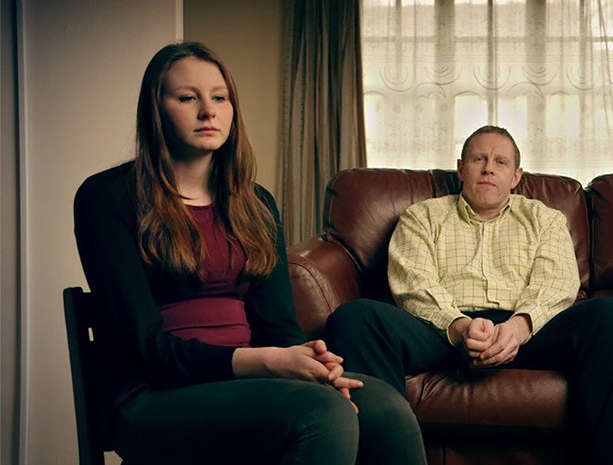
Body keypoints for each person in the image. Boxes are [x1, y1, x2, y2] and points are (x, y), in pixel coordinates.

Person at [73, 42, 425, 465]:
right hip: (150, 396)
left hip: (252, 382)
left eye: (219, 97)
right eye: (188, 98)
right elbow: (142, 346)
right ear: (156, 110)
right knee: (322, 413)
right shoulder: (107, 198)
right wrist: (266, 363)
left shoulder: (256, 203)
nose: (209, 111)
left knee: (385, 407)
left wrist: (311, 367)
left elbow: (278, 327)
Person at [325, 125, 613, 464]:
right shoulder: (422, 216)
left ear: (516, 176)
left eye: (500, 162)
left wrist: (519, 327)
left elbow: (558, 282)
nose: (489, 167)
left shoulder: (544, 219)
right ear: (461, 168)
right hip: (443, 332)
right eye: (479, 158)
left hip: (528, 332)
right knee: (355, 318)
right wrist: (459, 327)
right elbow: (413, 283)